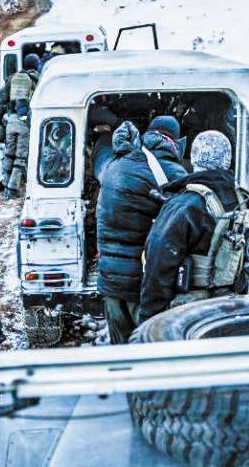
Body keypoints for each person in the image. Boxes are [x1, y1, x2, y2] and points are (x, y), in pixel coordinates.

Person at [91, 116, 187, 344]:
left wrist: (104, 136)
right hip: (142, 284)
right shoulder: (173, 173)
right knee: (147, 346)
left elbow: (99, 157)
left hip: (110, 281)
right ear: (174, 142)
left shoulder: (115, 164)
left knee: (121, 348)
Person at [139, 130, 243, 323]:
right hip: (228, 306)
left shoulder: (185, 204)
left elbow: (159, 263)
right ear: (227, 160)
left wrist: (149, 316)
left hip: (189, 311)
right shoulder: (240, 198)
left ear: (194, 158)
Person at [0, 54, 40, 199]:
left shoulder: (13, 77)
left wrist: (1, 119)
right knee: (21, 157)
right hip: (25, 122)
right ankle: (13, 189)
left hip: (11, 120)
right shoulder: (38, 79)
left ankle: (5, 184)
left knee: (9, 154)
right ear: (36, 65)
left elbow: (2, 98)